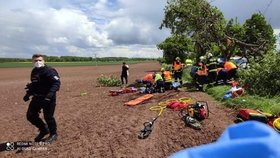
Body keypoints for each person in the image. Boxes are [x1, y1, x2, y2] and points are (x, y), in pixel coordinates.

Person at [23, 54, 60, 143]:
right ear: (32, 62)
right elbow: (34, 84)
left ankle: (53, 134)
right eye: (35, 61)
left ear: (44, 61)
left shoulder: (50, 71)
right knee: (30, 116)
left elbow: (56, 83)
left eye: (40, 60)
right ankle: (44, 129)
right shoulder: (34, 71)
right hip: (37, 97)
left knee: (48, 117)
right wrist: (28, 94)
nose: (38, 62)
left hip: (48, 98)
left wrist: (49, 96)